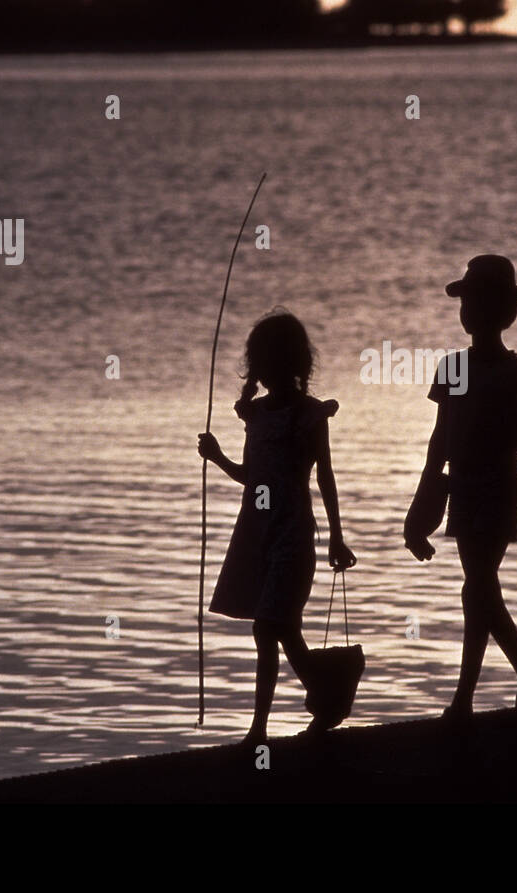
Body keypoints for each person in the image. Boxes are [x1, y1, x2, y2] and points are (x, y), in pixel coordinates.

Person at [406, 254, 517, 722]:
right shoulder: (454, 368)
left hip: (499, 489)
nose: (469, 311)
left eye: (477, 302)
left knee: (479, 588)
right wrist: (423, 503)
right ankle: (485, 693)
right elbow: (440, 440)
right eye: (467, 302)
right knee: (479, 589)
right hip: (465, 490)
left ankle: (505, 688)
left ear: (503, 314)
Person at [198, 310, 356, 744]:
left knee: (268, 626)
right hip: (257, 533)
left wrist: (337, 537)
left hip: (292, 535)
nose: (264, 372)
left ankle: (260, 730)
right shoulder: (258, 415)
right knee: (279, 627)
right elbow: (253, 475)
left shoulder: (309, 415)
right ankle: (325, 696)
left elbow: (325, 476)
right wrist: (217, 457)